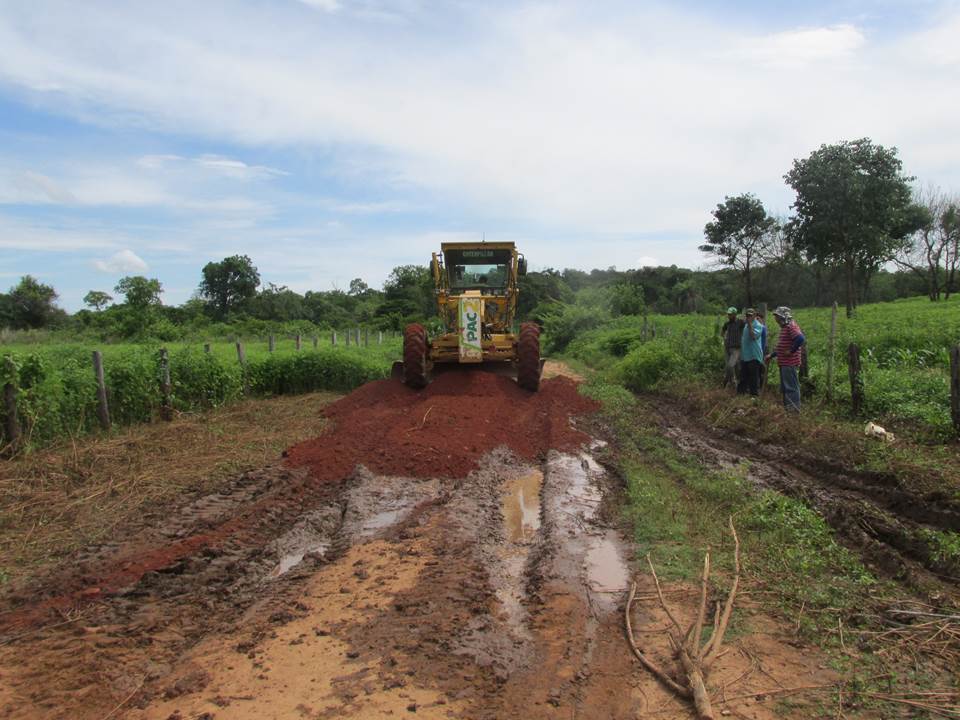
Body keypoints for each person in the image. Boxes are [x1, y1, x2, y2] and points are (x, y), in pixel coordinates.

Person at [766, 306, 805, 412]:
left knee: (791, 387)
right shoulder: (784, 328)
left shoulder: (791, 326)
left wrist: (791, 351)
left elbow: (800, 338)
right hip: (784, 363)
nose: (775, 318)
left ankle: (793, 411)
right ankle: (788, 409)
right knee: (786, 388)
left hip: (789, 363)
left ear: (783, 316)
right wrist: (772, 355)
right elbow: (782, 347)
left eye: (777, 316)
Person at [737, 308, 764, 397]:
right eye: (747, 315)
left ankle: (754, 395)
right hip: (745, 355)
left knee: (753, 377)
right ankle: (740, 394)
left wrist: (749, 324)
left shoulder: (759, 326)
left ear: (755, 315)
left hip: (754, 355)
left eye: (750, 315)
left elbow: (753, 336)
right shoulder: (746, 325)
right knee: (743, 375)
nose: (748, 317)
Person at [720, 307, 744, 389]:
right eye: (728, 314)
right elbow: (722, 332)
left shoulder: (740, 322)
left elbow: (747, 327)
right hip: (727, 348)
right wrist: (724, 338)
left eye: (730, 314)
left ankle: (727, 381)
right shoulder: (727, 323)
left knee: (730, 366)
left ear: (735, 315)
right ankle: (733, 383)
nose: (729, 316)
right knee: (731, 366)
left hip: (736, 348)